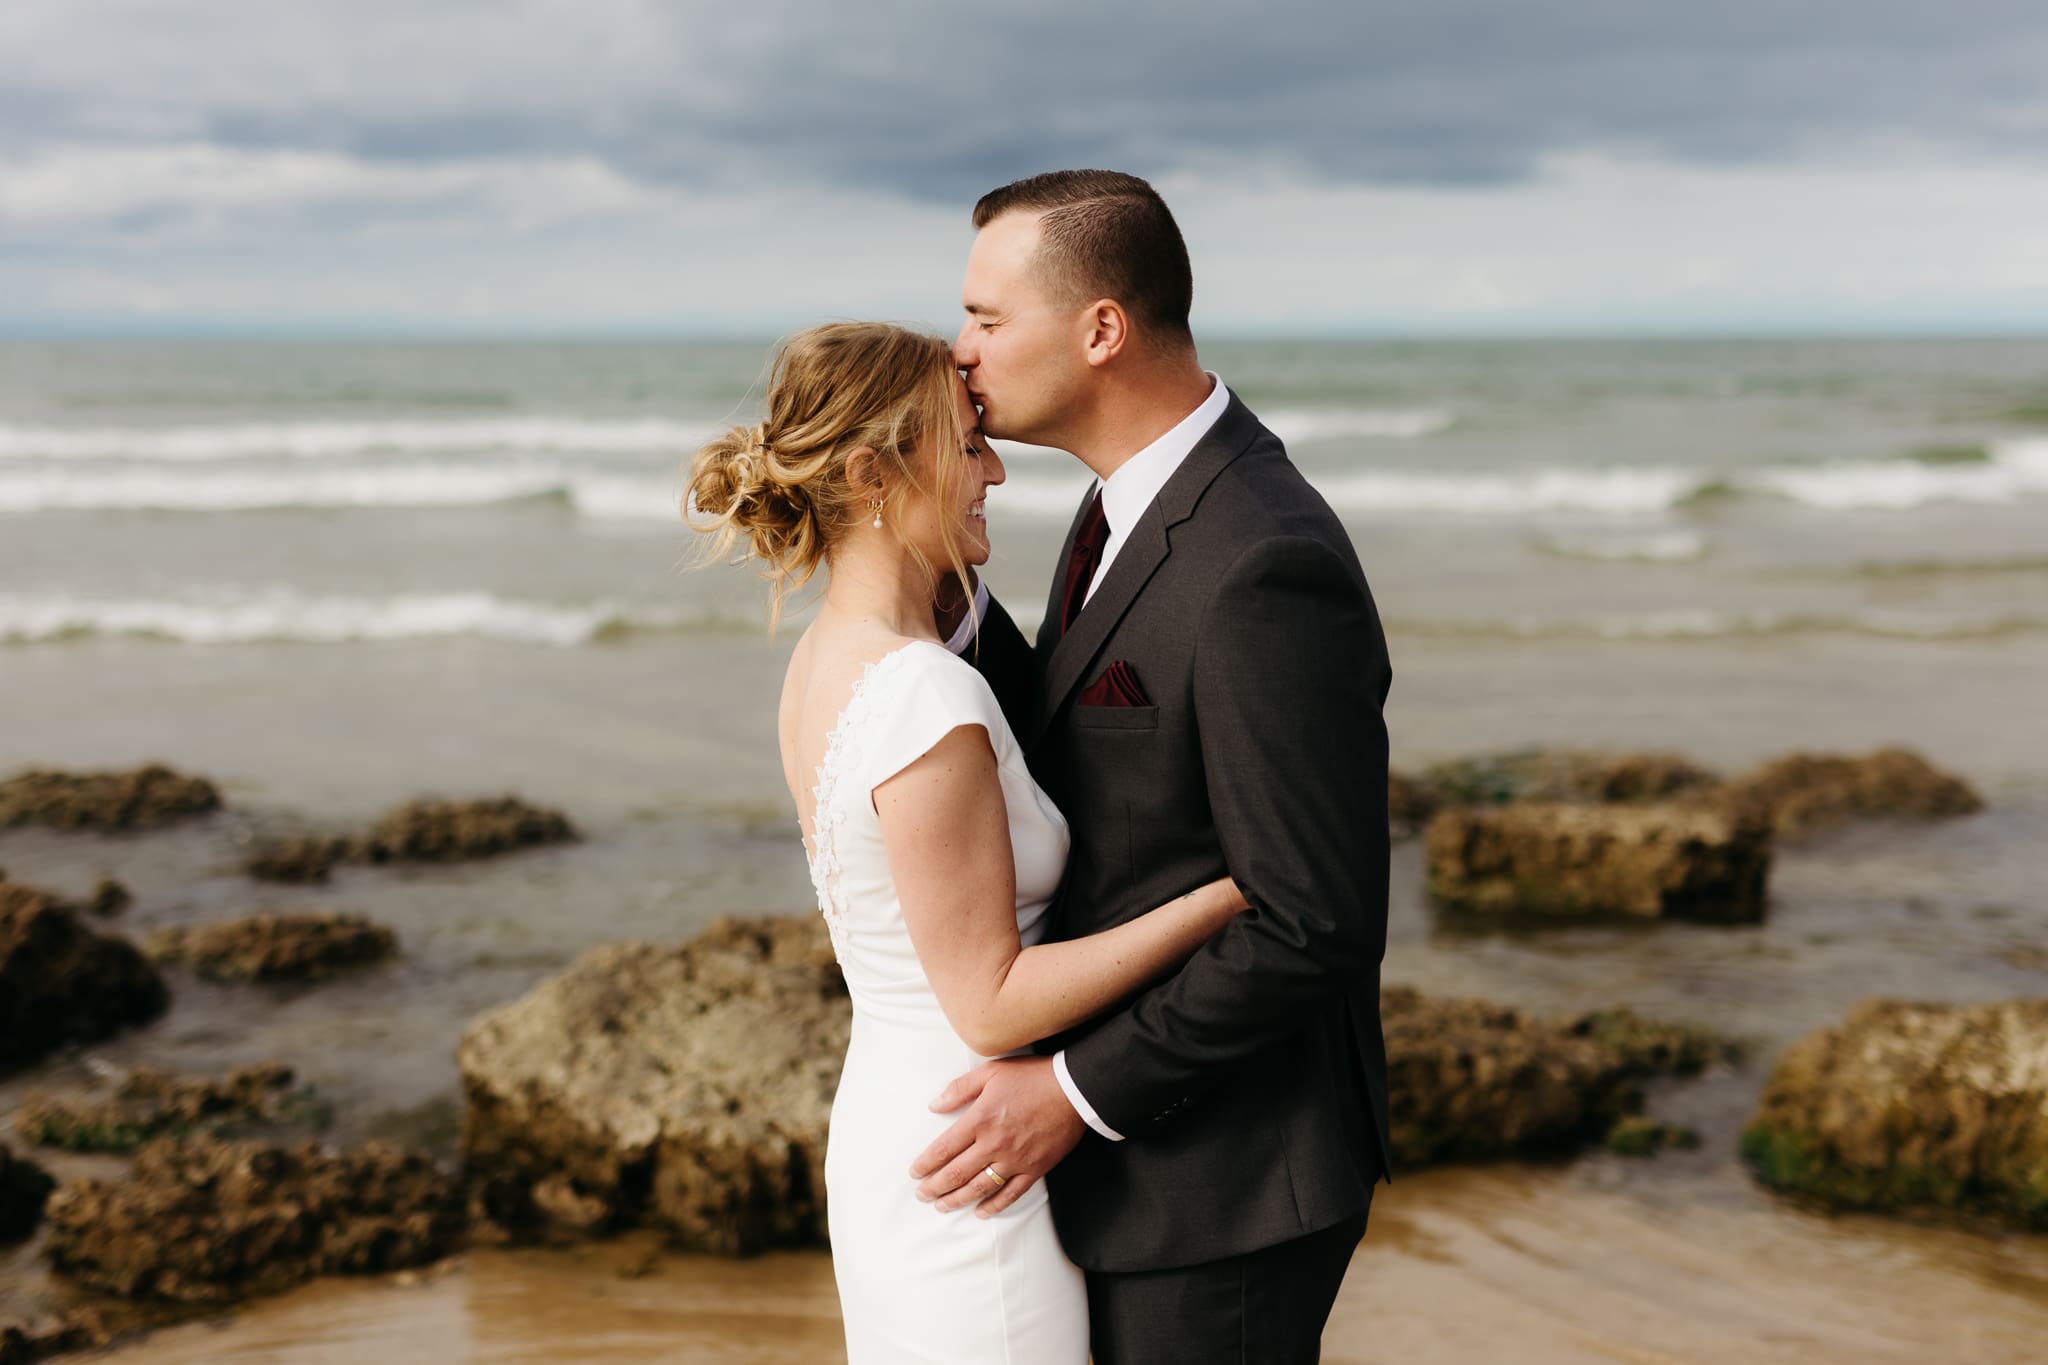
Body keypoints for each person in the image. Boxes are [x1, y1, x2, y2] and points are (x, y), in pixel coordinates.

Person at [686, 320, 1249, 1363]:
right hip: (975, 1152)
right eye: (965, 444)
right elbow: (986, 999)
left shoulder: (826, 662)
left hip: (903, 1124)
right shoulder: (920, 694)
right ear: (870, 473)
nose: (992, 471)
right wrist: (1223, 896)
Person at [910, 169, 1395, 1364]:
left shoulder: (1262, 563)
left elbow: (1311, 921)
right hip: (1146, 1181)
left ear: (1100, 330)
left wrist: (1071, 1092)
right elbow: (1084, 728)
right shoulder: (1122, 500)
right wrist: (904, 565)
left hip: (1224, 1185)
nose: (957, 352)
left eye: (984, 318)